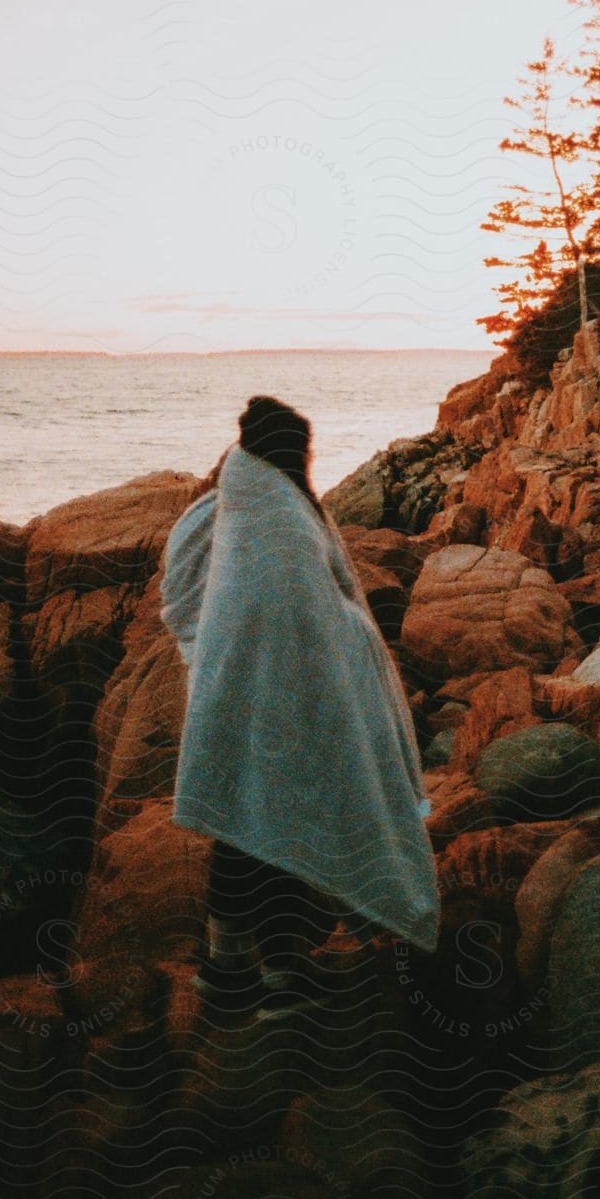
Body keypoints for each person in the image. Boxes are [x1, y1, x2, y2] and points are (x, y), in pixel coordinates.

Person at [162, 394, 439, 1019]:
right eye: (302, 451)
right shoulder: (282, 514)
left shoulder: (224, 509)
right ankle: (271, 971)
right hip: (271, 694)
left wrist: (207, 655)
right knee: (278, 821)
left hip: (233, 691)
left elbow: (180, 598)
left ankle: (236, 968)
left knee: (248, 822)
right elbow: (306, 604)